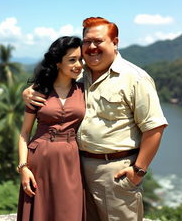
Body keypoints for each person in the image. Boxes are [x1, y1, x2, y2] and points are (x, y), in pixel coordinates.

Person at [23, 17, 168, 221]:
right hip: (78, 169)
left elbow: (155, 128)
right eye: (87, 42)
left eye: (98, 41)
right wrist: (30, 91)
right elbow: (54, 85)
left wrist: (138, 171)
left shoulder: (134, 78)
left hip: (114, 172)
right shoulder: (81, 74)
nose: (91, 47)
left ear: (115, 42)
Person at [17, 36, 86, 221]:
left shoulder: (85, 89)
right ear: (57, 63)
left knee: (70, 211)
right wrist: (23, 168)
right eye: (72, 60)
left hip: (71, 160)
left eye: (80, 59)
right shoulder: (38, 92)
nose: (78, 64)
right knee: (40, 212)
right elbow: (25, 133)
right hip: (39, 160)